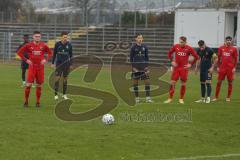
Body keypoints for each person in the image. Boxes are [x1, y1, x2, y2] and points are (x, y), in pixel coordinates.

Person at [17, 31, 53, 107]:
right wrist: (26, 60)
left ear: (40, 37)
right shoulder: (29, 45)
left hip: (40, 68)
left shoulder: (43, 45)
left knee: (39, 85)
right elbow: (19, 52)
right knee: (28, 85)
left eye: (39, 36)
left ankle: (38, 102)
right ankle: (26, 102)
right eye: (36, 36)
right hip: (32, 67)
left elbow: (50, 53)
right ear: (33, 37)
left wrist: (45, 60)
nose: (37, 38)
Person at [164, 36, 199, 104]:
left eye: (182, 42)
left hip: (184, 69)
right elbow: (169, 53)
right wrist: (172, 61)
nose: (180, 43)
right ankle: (170, 98)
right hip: (176, 68)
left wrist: (190, 64)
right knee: (172, 82)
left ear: (185, 42)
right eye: (179, 42)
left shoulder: (189, 48)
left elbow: (196, 57)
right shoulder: (176, 46)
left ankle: (181, 99)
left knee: (183, 83)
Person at [213, 36, 238, 102]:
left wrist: (234, 67)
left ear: (231, 41)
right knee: (219, 82)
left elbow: (235, 59)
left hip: (230, 68)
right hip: (222, 68)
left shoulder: (234, 49)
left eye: (230, 40)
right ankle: (216, 97)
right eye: (227, 40)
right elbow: (218, 57)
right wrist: (218, 66)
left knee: (230, 83)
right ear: (225, 41)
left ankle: (228, 97)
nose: (228, 41)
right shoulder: (221, 48)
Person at [130, 33, 153, 103]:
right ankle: (137, 98)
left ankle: (148, 98)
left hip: (143, 67)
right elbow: (131, 58)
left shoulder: (145, 47)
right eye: (139, 38)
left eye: (141, 38)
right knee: (135, 83)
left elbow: (147, 57)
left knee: (147, 82)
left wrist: (146, 67)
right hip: (136, 67)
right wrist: (133, 67)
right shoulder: (133, 48)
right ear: (136, 39)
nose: (140, 39)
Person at [51, 32, 73, 100]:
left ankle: (64, 95)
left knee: (65, 80)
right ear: (61, 37)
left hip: (66, 64)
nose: (65, 38)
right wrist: (52, 63)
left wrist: (71, 64)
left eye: (66, 37)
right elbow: (54, 54)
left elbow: (71, 55)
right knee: (57, 79)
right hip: (59, 64)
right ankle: (56, 94)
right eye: (64, 37)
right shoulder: (57, 44)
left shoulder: (69, 45)